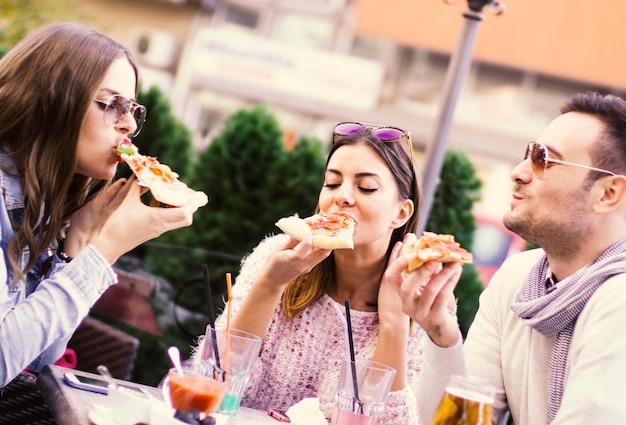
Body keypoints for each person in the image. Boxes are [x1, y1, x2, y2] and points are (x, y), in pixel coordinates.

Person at [396, 92, 626, 425]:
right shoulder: (519, 279)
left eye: (544, 159)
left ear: (607, 194)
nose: (518, 172)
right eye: (527, 154)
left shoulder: (618, 300)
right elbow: (457, 422)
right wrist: (441, 335)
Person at [0, 23, 206, 387]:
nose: (128, 124)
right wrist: (105, 249)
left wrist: (77, 244)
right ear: (53, 101)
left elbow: (38, 357)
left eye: (132, 110)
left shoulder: (40, 201)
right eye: (113, 105)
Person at [193, 122, 424, 423]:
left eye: (366, 187)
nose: (341, 197)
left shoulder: (421, 299)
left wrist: (394, 320)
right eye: (331, 183)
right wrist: (270, 284)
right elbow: (211, 388)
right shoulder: (275, 255)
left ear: (401, 213)